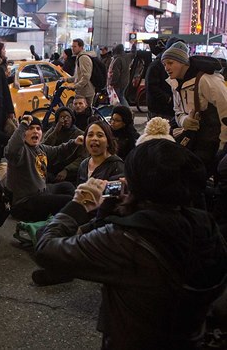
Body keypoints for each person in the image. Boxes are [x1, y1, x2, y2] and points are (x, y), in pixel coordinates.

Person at [34, 139, 227, 349]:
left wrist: (78, 204)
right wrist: (109, 210)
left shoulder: (125, 240)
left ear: (140, 184)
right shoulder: (205, 225)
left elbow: (47, 249)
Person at [163, 41, 227, 175]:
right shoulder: (174, 83)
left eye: (170, 63)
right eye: (164, 64)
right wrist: (185, 120)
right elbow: (177, 111)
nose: (166, 68)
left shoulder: (206, 80)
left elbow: (225, 109)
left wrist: (223, 144)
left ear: (183, 62)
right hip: (194, 139)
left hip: (212, 142)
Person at [5, 115, 83, 222]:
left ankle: (76, 215)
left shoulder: (40, 148)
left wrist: (74, 143)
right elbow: (11, 150)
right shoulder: (20, 152)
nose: (35, 131)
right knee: (67, 201)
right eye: (30, 129)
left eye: (38, 128)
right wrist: (23, 125)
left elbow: (58, 151)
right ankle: (66, 223)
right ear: (23, 133)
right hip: (24, 203)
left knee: (67, 186)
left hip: (42, 192)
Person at [42, 107, 86, 184]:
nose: (65, 120)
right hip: (52, 168)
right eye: (61, 117)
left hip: (71, 171)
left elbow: (83, 157)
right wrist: (56, 132)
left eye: (67, 117)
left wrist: (67, 170)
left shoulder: (79, 134)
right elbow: (44, 148)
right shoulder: (53, 130)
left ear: (72, 118)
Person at [76, 120, 124, 185]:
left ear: (108, 142)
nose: (94, 138)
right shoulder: (83, 165)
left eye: (100, 135)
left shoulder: (117, 166)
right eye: (90, 135)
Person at [144, 37, 176, 119]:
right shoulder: (156, 65)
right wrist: (168, 99)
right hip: (160, 110)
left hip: (165, 109)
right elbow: (152, 87)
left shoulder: (158, 64)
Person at [67, 39, 95, 106]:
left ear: (81, 47)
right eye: (72, 46)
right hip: (82, 91)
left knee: (84, 112)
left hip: (85, 92)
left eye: (75, 46)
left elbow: (86, 76)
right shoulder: (79, 57)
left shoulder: (83, 58)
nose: (72, 49)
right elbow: (78, 76)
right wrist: (67, 79)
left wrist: (75, 86)